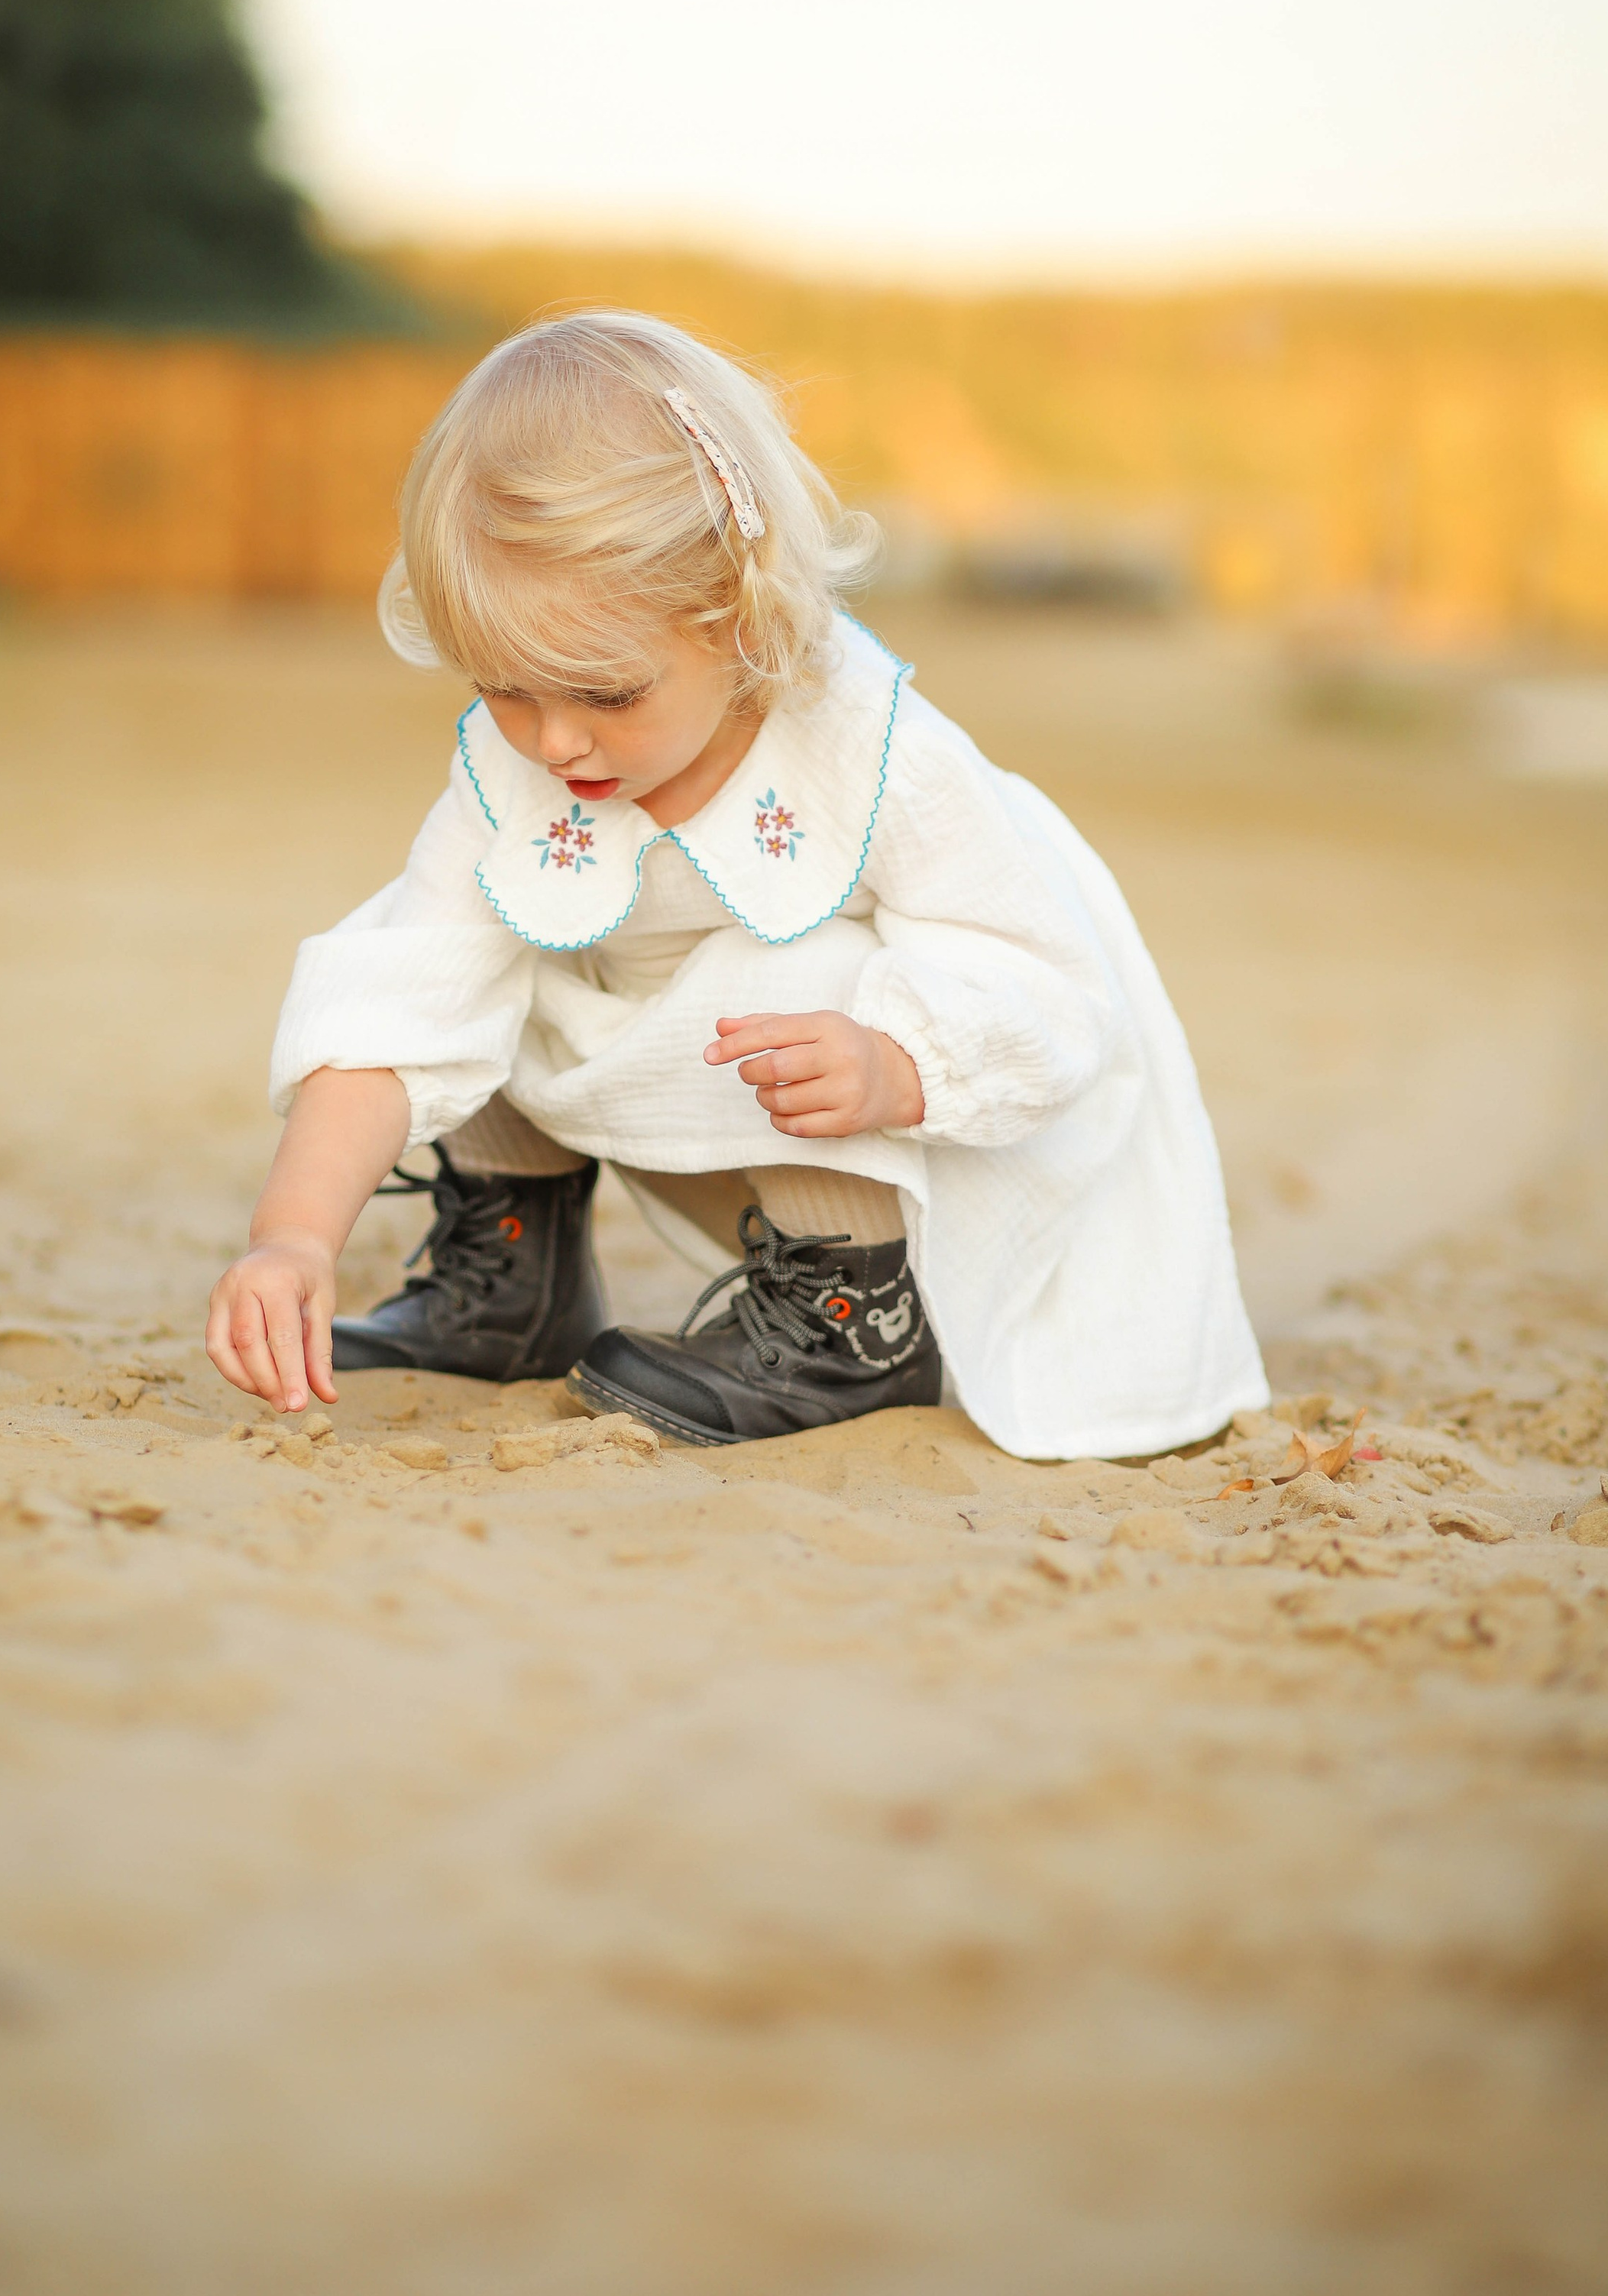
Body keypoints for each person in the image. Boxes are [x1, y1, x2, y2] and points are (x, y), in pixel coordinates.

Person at [205, 311, 1267, 1459]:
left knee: (803, 961)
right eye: (507, 688)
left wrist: (892, 1065)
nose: (555, 741)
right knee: (491, 932)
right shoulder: (521, 763)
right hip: (723, 1124)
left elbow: (1051, 989)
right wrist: (295, 1236)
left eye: (606, 694)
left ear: (737, 615)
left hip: (912, 1147)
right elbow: (404, 988)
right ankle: (510, 1285)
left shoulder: (872, 753)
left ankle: (848, 1324)